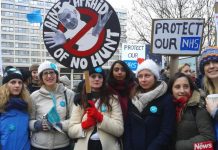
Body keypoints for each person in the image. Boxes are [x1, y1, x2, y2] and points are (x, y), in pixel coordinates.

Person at [124, 59, 175, 150]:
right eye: (140, 76)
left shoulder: (166, 98)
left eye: (147, 75)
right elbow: (128, 128)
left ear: (155, 77)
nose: (143, 80)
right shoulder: (133, 98)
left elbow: (166, 131)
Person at [68, 67, 124, 150]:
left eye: (100, 77)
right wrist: (84, 125)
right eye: (93, 76)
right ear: (87, 79)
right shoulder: (80, 100)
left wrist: (100, 118)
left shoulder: (113, 100)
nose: (97, 79)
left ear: (103, 80)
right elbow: (71, 131)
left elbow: (119, 130)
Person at [29, 61, 75, 150]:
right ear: (41, 77)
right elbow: (29, 120)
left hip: (62, 145)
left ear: (57, 75)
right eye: (45, 73)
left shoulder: (69, 94)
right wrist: (37, 125)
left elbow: (74, 120)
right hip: (38, 146)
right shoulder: (34, 96)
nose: (49, 76)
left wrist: (60, 125)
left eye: (52, 72)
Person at [168, 72, 215, 150]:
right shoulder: (168, 106)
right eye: (177, 87)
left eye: (186, 86)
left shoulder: (198, 105)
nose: (182, 90)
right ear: (171, 89)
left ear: (191, 88)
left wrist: (176, 146)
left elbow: (208, 139)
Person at [44, 1, 112, 51]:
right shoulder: (65, 35)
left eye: (68, 16)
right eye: (64, 20)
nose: (68, 21)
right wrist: (64, 41)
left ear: (75, 12)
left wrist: (96, 32)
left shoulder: (89, 28)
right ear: (62, 23)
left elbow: (93, 36)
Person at [0, 67, 31, 150]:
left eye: (20, 82)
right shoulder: (1, 105)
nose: (17, 85)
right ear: (5, 85)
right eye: (13, 82)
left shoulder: (26, 104)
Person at [199, 47, 218, 149]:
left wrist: (215, 112)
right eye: (207, 63)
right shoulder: (202, 92)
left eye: (215, 61)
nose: (211, 66)